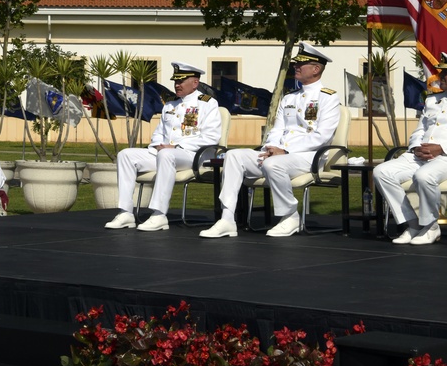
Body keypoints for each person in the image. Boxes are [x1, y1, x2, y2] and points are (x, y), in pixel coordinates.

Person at [200, 42, 341, 239]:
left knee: (274, 164)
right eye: (295, 64)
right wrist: (270, 147)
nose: (295, 67)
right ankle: (227, 218)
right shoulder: (289, 98)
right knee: (233, 156)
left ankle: (290, 216)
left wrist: (285, 150)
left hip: (309, 156)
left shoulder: (329, 98)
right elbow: (278, 129)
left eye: (301, 64)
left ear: (316, 69)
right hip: (279, 154)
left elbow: (322, 136)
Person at [374, 53, 447, 246]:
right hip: (421, 155)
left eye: (446, 73)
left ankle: (431, 226)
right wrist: (415, 148)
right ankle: (412, 224)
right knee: (381, 171)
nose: (440, 77)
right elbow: (420, 129)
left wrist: (441, 148)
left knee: (424, 176)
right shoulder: (433, 100)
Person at [104, 62, 221, 232]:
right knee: (125, 155)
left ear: (195, 83)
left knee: (166, 154)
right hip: (164, 153)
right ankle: (125, 213)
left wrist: (175, 147)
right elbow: (159, 132)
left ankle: (159, 215)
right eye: (175, 81)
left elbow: (211, 137)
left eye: (181, 81)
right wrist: (157, 145)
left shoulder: (207, 103)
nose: (177, 85)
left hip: (191, 155)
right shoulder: (170, 104)